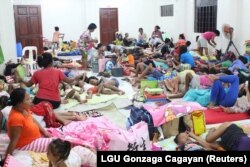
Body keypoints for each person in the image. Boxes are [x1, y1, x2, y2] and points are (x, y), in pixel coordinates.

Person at [5, 88, 52, 157]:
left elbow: (33, 120)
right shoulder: (16, 118)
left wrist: (44, 131)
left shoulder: (24, 109)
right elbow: (14, 140)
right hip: (26, 144)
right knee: (56, 145)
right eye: (27, 99)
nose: (31, 101)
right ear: (19, 103)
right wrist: (7, 158)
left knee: (56, 134)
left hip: (36, 136)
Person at [175, 122, 250, 151]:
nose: (186, 137)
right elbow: (208, 146)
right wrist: (192, 136)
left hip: (231, 130)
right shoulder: (190, 146)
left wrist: (191, 135)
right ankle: (213, 131)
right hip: (228, 144)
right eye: (184, 138)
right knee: (209, 141)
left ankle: (212, 130)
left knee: (208, 139)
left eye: (186, 136)